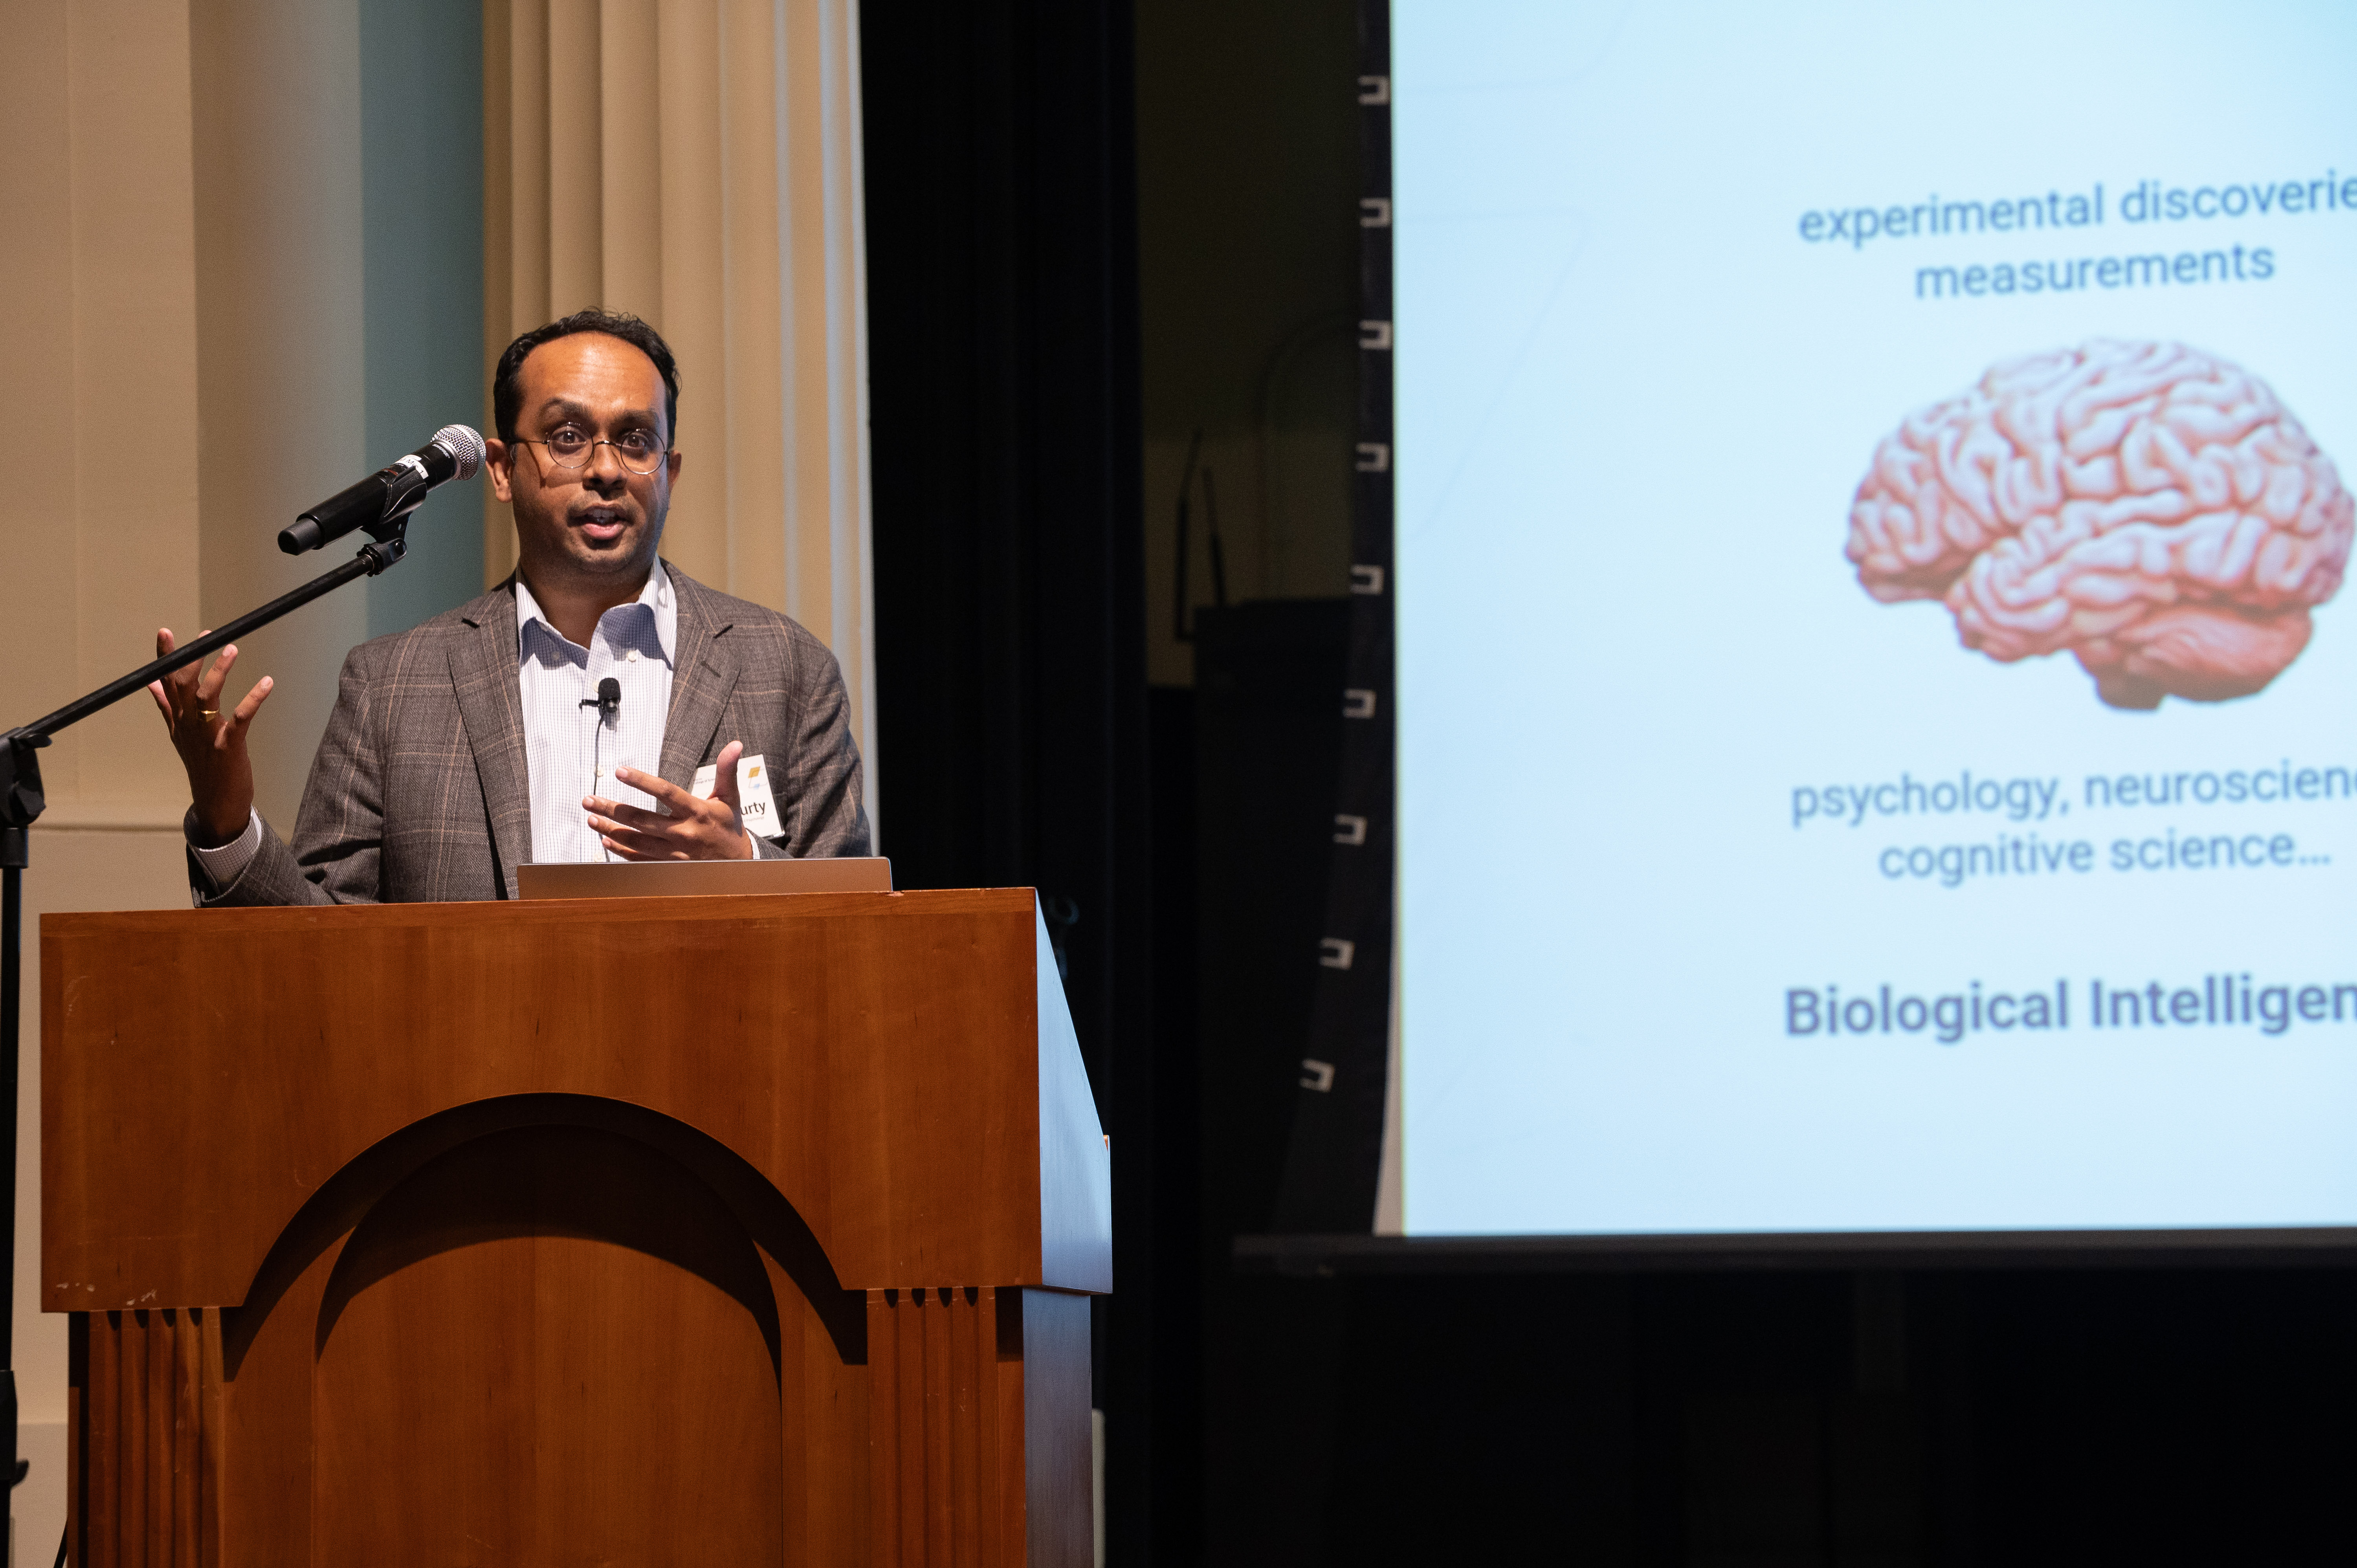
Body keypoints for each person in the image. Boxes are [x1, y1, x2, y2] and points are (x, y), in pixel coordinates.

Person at [151, 308, 870, 904]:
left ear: (670, 474)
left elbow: (860, 920)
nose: (605, 469)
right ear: (500, 469)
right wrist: (226, 819)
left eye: (636, 440)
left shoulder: (786, 668)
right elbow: (321, 950)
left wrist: (743, 865)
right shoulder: (391, 688)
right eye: (567, 438)